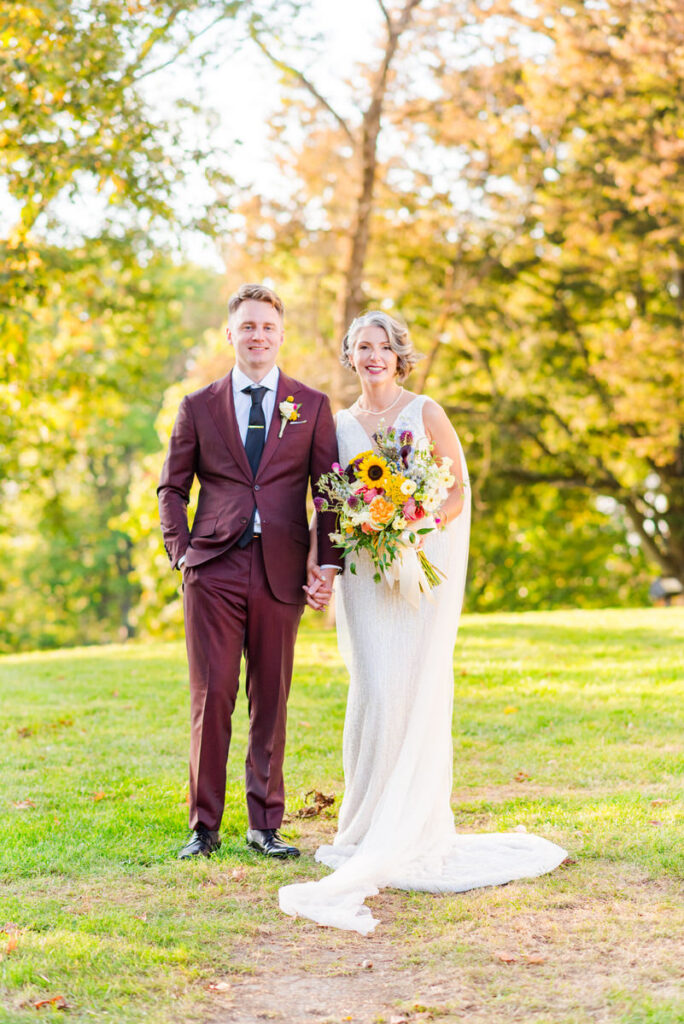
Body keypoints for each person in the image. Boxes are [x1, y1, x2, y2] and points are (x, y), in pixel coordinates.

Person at [280, 310, 567, 933]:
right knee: (374, 690)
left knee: (413, 690)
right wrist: (320, 569)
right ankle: (365, 821)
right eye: (363, 347)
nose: (374, 355)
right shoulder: (339, 423)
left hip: (417, 578)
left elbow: (457, 488)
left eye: (383, 346)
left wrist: (415, 525)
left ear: (398, 354)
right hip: (363, 578)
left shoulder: (426, 410)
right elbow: (327, 502)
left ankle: (412, 823)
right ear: (350, 356)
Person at [158, 283, 342, 861]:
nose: (257, 335)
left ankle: (265, 826)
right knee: (211, 696)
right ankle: (203, 827)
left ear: (281, 335)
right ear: (230, 334)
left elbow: (329, 491)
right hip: (212, 568)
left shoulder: (310, 405)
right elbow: (172, 487)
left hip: (280, 571)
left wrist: (327, 564)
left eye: (267, 326)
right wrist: (181, 551)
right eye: (248, 326)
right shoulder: (198, 405)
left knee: (272, 696)